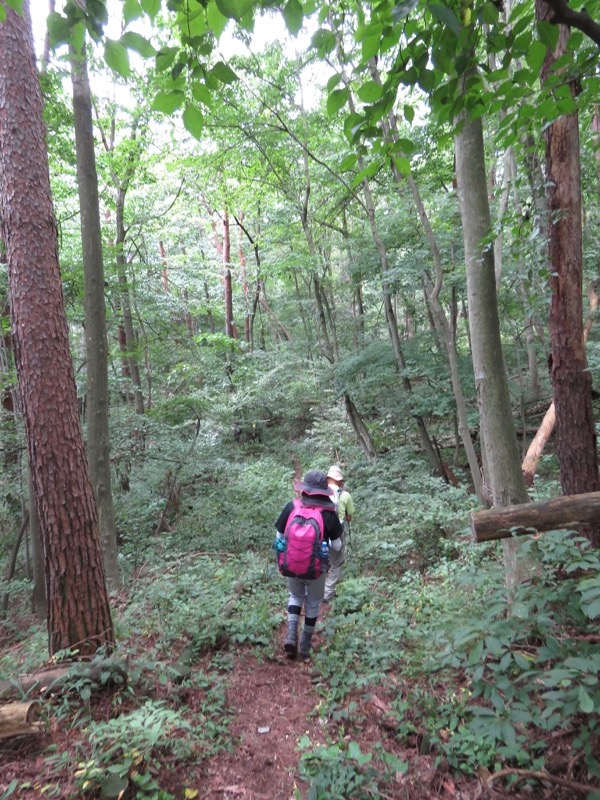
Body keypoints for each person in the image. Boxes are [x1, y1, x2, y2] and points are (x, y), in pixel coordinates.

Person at [275, 470, 343, 658]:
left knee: (295, 596)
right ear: (323, 490)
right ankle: (305, 644)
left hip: (292, 564)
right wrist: (324, 543)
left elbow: (279, 536)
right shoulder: (329, 514)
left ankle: (290, 635)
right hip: (316, 569)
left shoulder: (292, 506)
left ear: (305, 488)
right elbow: (337, 545)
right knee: (313, 602)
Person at [323, 465, 355, 603]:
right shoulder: (345, 495)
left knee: (322, 560)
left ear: (328, 479)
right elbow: (349, 518)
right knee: (337, 562)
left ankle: (316, 589)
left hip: (320, 532)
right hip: (337, 532)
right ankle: (328, 593)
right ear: (340, 480)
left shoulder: (321, 493)